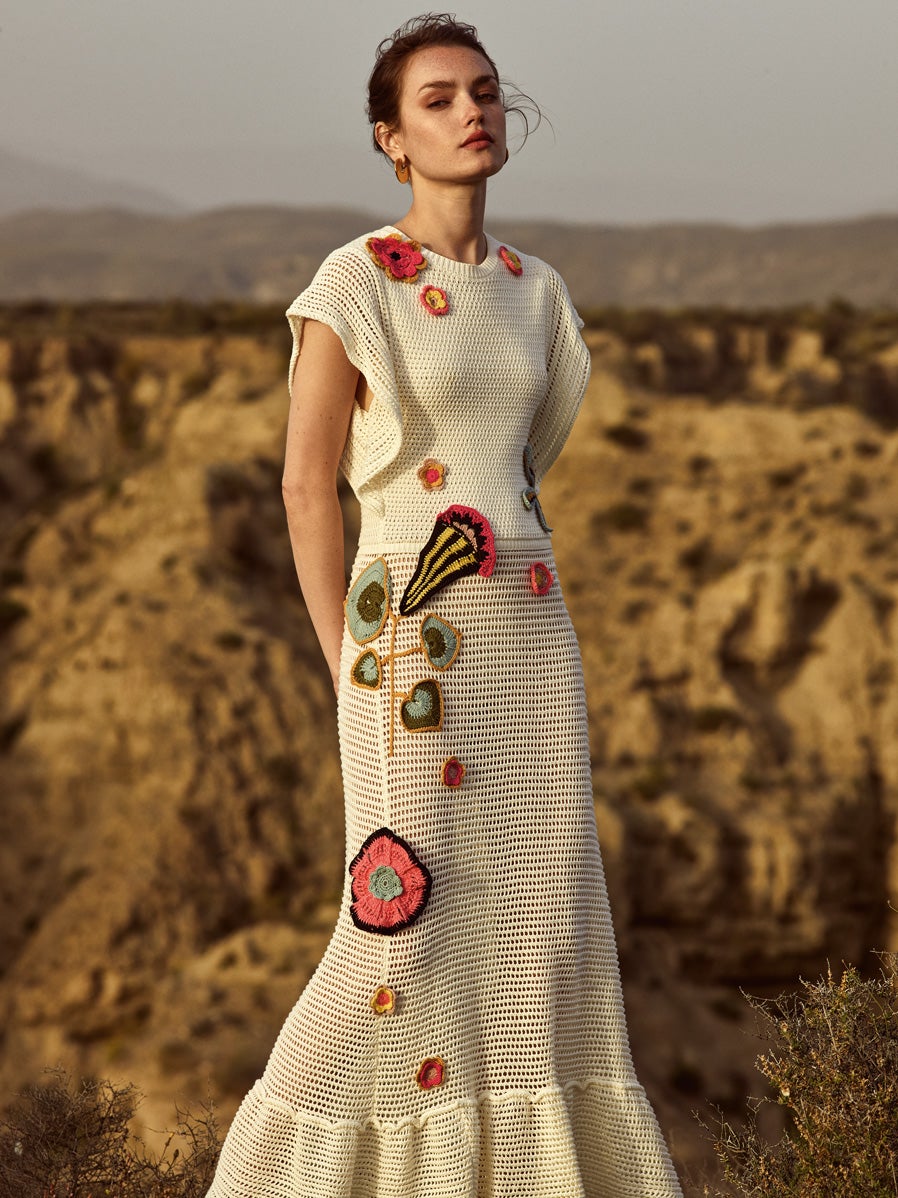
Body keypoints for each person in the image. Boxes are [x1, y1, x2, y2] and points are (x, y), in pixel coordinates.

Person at [206, 13, 683, 1197]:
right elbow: (305, 485)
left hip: (530, 640)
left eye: (483, 90)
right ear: (391, 138)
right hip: (408, 648)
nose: (472, 111)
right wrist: (344, 656)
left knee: (543, 920)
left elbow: (518, 470)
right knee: (398, 918)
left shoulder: (536, 292)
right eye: (437, 98)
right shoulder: (354, 281)